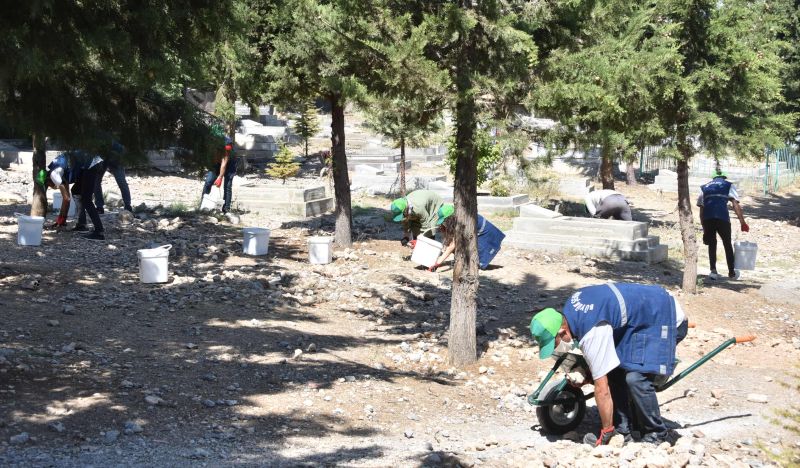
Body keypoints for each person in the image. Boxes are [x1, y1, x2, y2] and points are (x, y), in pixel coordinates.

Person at [529, 283, 689, 446]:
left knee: (636, 378)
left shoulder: (592, 331)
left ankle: (657, 433)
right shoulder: (569, 312)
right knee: (615, 373)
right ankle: (622, 430)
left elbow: (602, 388)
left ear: (563, 332)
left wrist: (606, 430)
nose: (556, 348)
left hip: (663, 316)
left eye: (554, 344)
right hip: (639, 320)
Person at [697, 170, 749, 280]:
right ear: (724, 177)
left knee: (712, 244)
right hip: (722, 218)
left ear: (713, 178)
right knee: (727, 244)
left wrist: (704, 228)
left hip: (708, 218)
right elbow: (735, 205)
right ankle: (731, 273)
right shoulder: (729, 185)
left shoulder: (704, 187)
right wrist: (742, 222)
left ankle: (713, 271)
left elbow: (701, 210)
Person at [430, 204, 505, 271]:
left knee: (478, 260)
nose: (444, 222)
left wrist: (437, 263)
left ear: (450, 217)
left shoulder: (462, 222)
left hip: (486, 234)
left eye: (445, 220)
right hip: (480, 232)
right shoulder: (459, 216)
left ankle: (475, 261)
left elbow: (452, 245)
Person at [68, 150, 106, 240]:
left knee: (86, 200)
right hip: (88, 165)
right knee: (76, 190)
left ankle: (99, 231)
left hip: (91, 166)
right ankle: (82, 224)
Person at [200, 134, 236, 213]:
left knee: (227, 185)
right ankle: (203, 205)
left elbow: (224, 163)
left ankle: (226, 209)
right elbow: (213, 160)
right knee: (208, 182)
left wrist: (220, 177)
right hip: (217, 163)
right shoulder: (210, 146)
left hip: (230, 164)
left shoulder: (227, 146)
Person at [93, 141, 132, 212]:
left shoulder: (116, 145)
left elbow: (122, 150)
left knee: (121, 182)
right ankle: (99, 206)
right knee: (96, 182)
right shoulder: (96, 137)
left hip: (115, 158)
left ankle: (128, 205)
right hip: (102, 159)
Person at [45, 153, 74, 228]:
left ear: (48, 180)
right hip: (68, 164)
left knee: (70, 196)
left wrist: (60, 219)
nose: (52, 187)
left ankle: (62, 221)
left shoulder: (55, 176)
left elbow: (67, 199)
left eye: (49, 185)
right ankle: (62, 221)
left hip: (78, 163)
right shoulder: (53, 169)